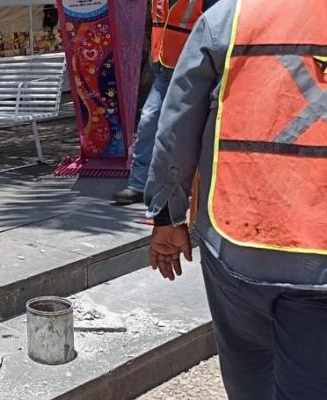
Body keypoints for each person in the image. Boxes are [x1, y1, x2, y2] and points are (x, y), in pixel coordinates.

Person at [145, 0, 327, 398]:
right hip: (318, 263)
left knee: (249, 371)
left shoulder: (229, 17)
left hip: (238, 242)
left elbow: (176, 126)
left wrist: (167, 218)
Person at [114, 0, 217, 204]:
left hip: (192, 70)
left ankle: (188, 186)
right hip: (163, 67)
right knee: (149, 120)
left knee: (184, 129)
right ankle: (138, 184)